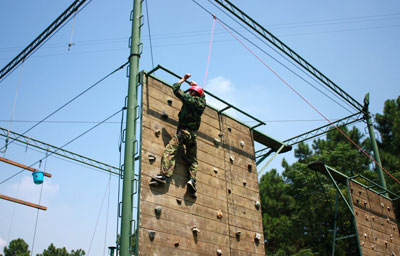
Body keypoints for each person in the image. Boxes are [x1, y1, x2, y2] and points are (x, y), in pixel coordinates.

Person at [150, 73, 206, 194]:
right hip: (193, 135)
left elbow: (175, 88)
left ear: (191, 93)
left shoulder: (188, 99)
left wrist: (184, 79)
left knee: (169, 151)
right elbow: (203, 96)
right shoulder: (202, 104)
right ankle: (192, 180)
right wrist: (196, 86)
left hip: (183, 132)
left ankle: (164, 175)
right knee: (193, 160)